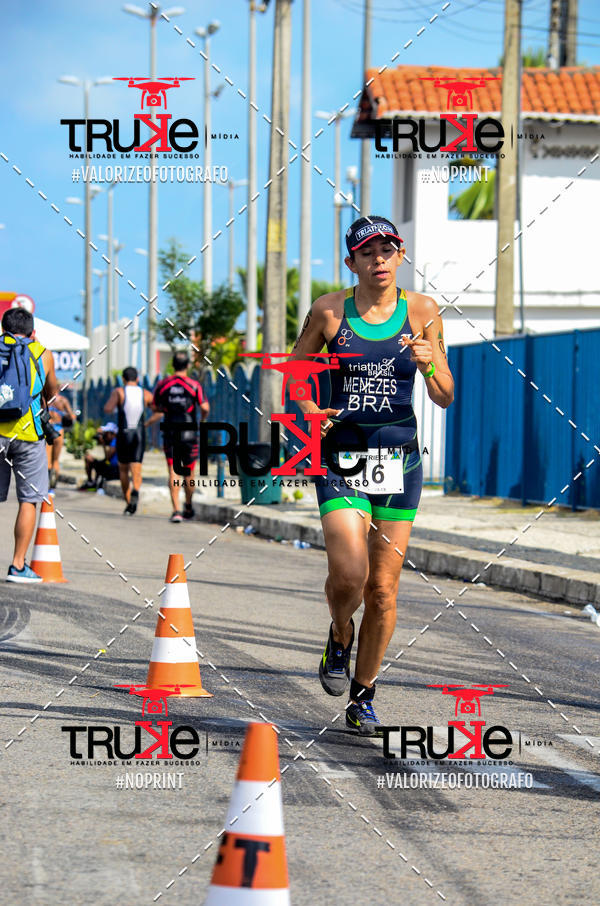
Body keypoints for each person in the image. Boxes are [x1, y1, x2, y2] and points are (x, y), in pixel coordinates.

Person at [290, 215, 454, 735]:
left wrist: (430, 364)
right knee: (349, 575)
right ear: (352, 262)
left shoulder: (423, 311)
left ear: (400, 256)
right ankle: (340, 634)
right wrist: (309, 408)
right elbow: (296, 374)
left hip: (400, 461)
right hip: (342, 459)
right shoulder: (329, 311)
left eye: (387, 250)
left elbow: (445, 395)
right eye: (367, 252)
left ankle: (363, 696)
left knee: (382, 590)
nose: (379, 259)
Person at [0, 308, 58, 582]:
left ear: (3, 330)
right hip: (29, 436)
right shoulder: (43, 353)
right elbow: (52, 392)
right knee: (28, 500)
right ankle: (17, 565)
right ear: (33, 331)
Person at [148, 351, 209, 523]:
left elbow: (154, 406)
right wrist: (202, 419)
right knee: (189, 471)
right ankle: (188, 506)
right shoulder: (194, 385)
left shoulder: (163, 385)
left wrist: (166, 409)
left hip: (170, 431)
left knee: (173, 471)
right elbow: (205, 407)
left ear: (173, 365)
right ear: (188, 365)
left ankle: (176, 510)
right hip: (189, 432)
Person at [103, 367, 153, 515]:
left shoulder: (119, 392)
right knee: (136, 468)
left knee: (123, 469)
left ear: (123, 379)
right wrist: (148, 422)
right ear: (137, 379)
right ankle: (136, 490)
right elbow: (158, 410)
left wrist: (116, 407)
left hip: (124, 433)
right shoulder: (145, 393)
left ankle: (128, 502)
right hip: (139, 434)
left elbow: (108, 408)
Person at [46, 393, 76, 489]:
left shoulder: (45, 398)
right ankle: (53, 485)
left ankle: (47, 484)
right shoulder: (63, 400)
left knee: (48, 459)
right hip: (59, 429)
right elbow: (72, 416)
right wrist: (62, 414)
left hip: (48, 428)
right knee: (55, 460)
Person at [80, 424, 119, 490]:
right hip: (109, 465)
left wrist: (103, 443)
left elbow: (108, 457)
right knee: (90, 458)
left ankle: (93, 483)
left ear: (113, 434)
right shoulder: (112, 441)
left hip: (114, 469)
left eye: (106, 433)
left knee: (91, 459)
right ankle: (91, 482)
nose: (105, 435)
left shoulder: (115, 441)